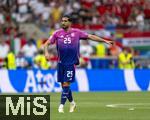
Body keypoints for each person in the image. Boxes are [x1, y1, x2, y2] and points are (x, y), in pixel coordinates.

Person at [43, 15, 113, 113]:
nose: (63, 23)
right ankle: (72, 103)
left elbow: (91, 36)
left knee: (66, 84)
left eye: (65, 21)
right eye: (62, 21)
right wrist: (46, 53)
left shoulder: (77, 32)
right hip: (61, 63)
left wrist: (105, 41)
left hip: (71, 63)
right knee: (64, 86)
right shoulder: (57, 33)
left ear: (70, 22)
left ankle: (61, 106)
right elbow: (46, 43)